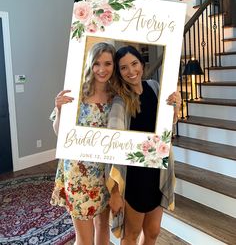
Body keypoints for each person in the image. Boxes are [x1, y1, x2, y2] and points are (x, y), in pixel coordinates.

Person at [106, 45, 181, 245]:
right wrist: (114, 192)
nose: (131, 71)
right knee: (131, 234)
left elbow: (167, 127)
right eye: (123, 68)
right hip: (135, 176)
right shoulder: (120, 101)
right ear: (119, 72)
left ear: (142, 63)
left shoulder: (154, 87)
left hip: (158, 171)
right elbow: (113, 148)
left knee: (153, 231)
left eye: (134, 64)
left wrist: (176, 107)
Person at [50, 42, 117, 245]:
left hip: (105, 173)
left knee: (103, 228)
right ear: (90, 65)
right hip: (78, 174)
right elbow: (59, 133)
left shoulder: (118, 98)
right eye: (96, 63)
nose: (102, 69)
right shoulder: (75, 93)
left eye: (107, 63)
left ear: (114, 65)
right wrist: (60, 111)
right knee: (84, 239)